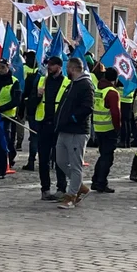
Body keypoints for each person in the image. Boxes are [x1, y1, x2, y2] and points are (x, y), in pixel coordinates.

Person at [54, 57, 94, 209]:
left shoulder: (85, 84)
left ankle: (71, 196)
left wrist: (73, 118)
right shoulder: (72, 84)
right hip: (64, 129)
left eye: (68, 68)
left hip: (77, 131)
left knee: (76, 164)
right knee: (61, 161)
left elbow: (88, 107)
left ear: (72, 69)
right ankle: (80, 187)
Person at [36, 56, 69, 200]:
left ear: (59, 67)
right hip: (44, 125)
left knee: (60, 160)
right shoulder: (42, 81)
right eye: (48, 64)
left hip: (59, 127)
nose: (49, 67)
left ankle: (61, 188)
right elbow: (31, 104)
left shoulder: (67, 83)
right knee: (43, 159)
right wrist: (37, 96)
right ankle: (45, 189)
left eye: (52, 65)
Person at [92, 66, 122, 193]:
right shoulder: (112, 92)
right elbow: (115, 113)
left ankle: (95, 180)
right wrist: (118, 127)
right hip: (108, 127)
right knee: (107, 157)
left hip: (98, 127)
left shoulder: (99, 89)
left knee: (103, 155)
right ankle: (101, 182)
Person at [20, 51, 41, 171]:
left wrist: (22, 109)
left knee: (34, 137)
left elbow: (24, 95)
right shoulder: (55, 79)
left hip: (35, 111)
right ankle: (41, 160)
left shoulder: (33, 77)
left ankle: (31, 161)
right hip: (37, 112)